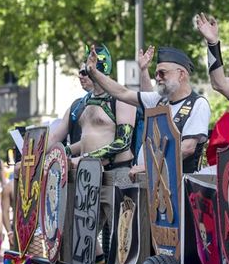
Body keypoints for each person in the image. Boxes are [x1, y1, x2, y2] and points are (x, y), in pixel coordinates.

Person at [85, 45, 210, 175]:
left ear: (181, 74)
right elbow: (123, 93)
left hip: (178, 186)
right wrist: (94, 72)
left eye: (162, 73)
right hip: (150, 182)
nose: (157, 78)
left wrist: (148, 166)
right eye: (156, 74)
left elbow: (187, 148)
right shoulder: (160, 99)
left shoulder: (198, 104)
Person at [47, 44, 137, 178]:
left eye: (86, 70)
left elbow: (123, 142)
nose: (81, 75)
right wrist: (56, 154)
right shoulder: (84, 102)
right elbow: (85, 139)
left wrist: (84, 159)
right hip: (87, 176)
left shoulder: (121, 98)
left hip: (115, 174)